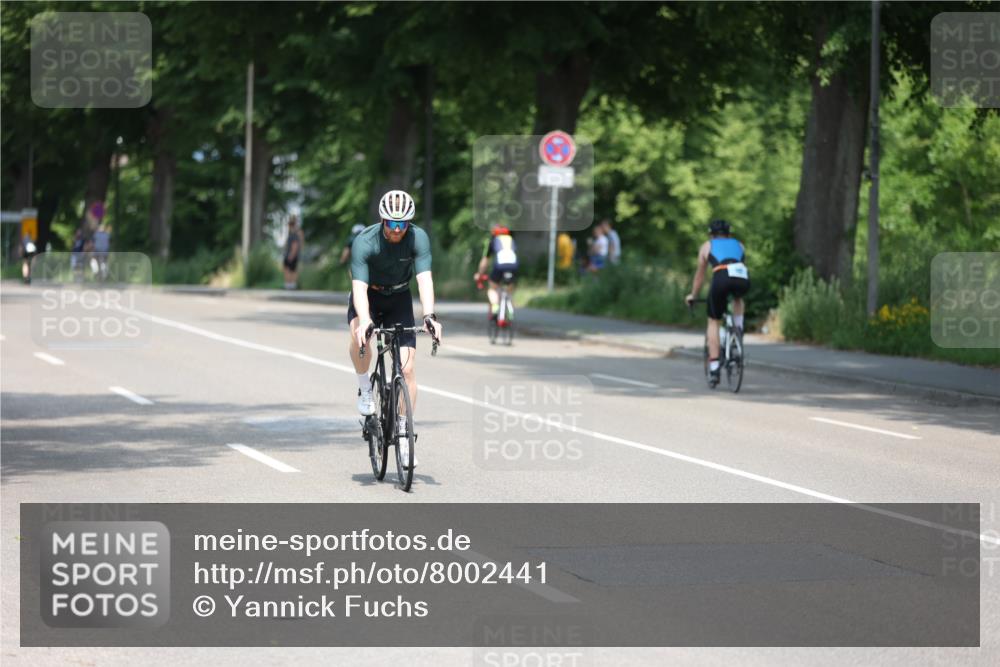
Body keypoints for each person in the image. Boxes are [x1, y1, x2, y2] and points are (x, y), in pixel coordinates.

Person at [349, 190, 443, 468]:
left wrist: (429, 315)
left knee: (409, 368)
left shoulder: (418, 238)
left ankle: (403, 433)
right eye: (392, 223)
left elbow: (424, 279)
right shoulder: (364, 242)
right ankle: (365, 388)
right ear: (382, 221)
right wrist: (365, 319)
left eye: (403, 225)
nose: (397, 230)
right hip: (370, 296)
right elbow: (359, 288)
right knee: (359, 341)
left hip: (399, 297)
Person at [684, 219, 750, 387]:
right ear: (729, 233)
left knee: (713, 321)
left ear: (711, 234)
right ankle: (738, 329)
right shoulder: (740, 245)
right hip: (742, 277)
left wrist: (693, 294)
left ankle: (714, 367)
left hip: (721, 276)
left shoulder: (707, 246)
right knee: (737, 298)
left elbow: (700, 276)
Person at [473, 224, 518, 320]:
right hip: (514, 266)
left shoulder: (493, 241)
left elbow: (485, 261)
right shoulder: (511, 240)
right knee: (509, 290)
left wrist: (479, 274)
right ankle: (510, 310)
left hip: (500, 266)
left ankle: (495, 307)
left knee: (492, 288)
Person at [283, 216, 303, 290]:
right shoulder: (294, 233)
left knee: (289, 270)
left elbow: (295, 245)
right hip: (294, 254)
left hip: (291, 254)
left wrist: (291, 255)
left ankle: (289, 285)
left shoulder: (294, 233)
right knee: (292, 270)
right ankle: (291, 285)